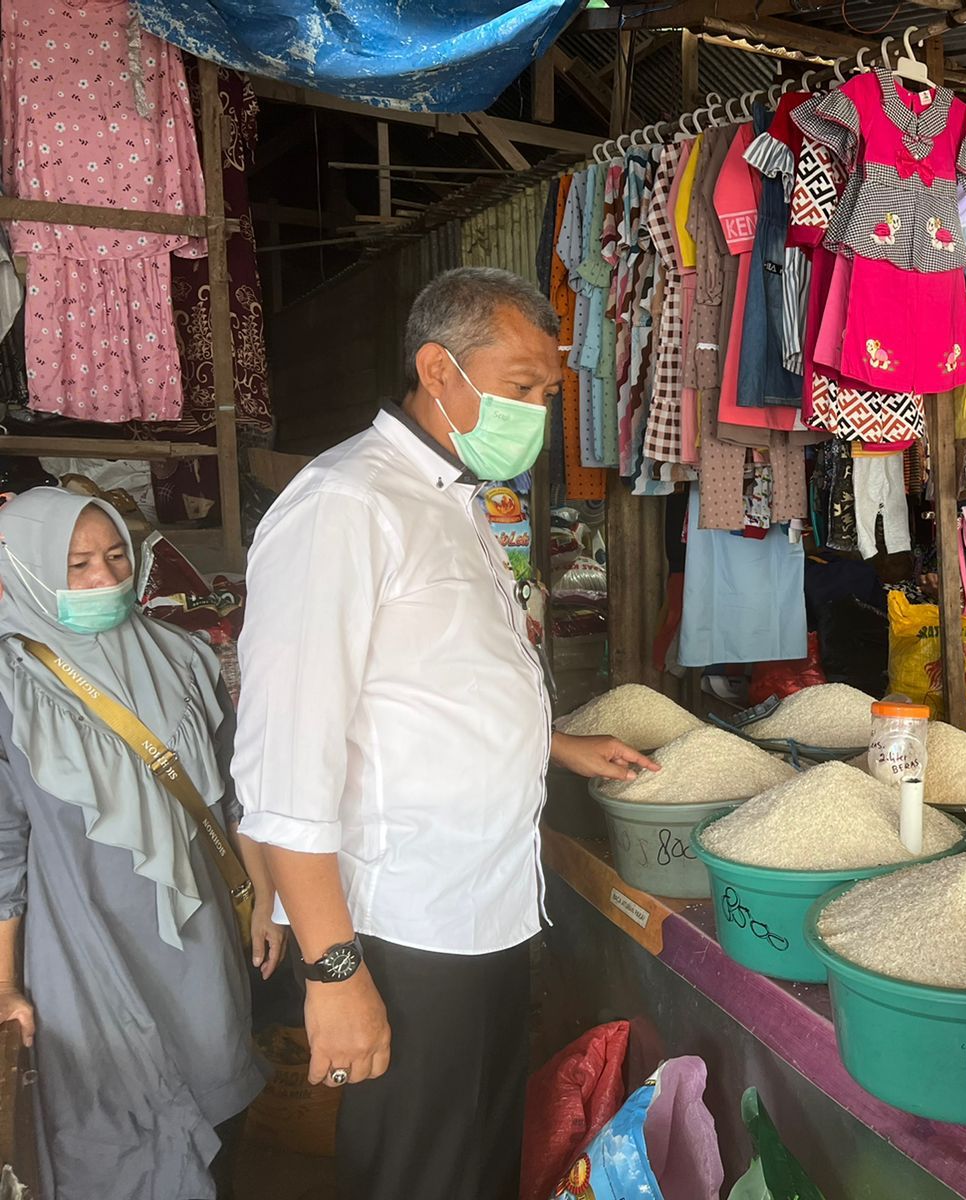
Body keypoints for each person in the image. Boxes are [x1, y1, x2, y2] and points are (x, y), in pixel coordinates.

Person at [233, 267, 657, 1199]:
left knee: (474, 1156)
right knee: (422, 1168)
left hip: (483, 909)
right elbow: (285, 767)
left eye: (548, 393)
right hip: (402, 929)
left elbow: (430, 682)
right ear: (439, 368)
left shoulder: (453, 495)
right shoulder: (346, 504)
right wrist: (334, 973)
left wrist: (551, 745)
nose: (539, 411)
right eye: (520, 386)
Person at [0, 488, 281, 1199]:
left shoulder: (183, 659)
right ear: (24, 568)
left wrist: (265, 900)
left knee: (214, 1091)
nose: (105, 579)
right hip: (82, 951)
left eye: (117, 556)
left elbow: (233, 795)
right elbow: (3, 851)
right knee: (108, 1131)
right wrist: (5, 984)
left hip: (200, 938)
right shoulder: (10, 689)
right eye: (78, 564)